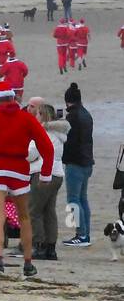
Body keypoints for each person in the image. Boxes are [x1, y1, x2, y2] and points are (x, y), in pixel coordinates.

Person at [0, 83, 53, 277]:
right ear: (13, 98)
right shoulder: (26, 118)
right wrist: (46, 173)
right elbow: (46, 147)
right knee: (24, 217)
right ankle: (28, 263)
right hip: (19, 169)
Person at [27, 101, 67, 261]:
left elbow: (31, 154)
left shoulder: (41, 133)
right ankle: (51, 248)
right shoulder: (59, 135)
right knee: (49, 211)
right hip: (58, 174)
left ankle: (39, 245)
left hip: (42, 172)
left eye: (37, 113)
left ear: (42, 116)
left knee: (34, 211)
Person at [62, 82, 94, 247]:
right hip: (87, 162)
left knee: (73, 199)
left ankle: (80, 235)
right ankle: (86, 234)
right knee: (83, 199)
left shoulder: (72, 116)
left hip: (75, 162)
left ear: (68, 101)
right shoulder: (87, 114)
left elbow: (69, 142)